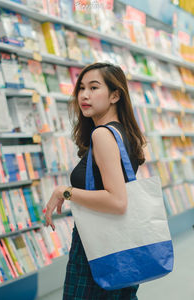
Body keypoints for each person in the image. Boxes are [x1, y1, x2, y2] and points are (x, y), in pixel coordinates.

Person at [45, 62, 146, 299]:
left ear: (115, 95)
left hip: (97, 244)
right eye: (81, 88)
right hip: (120, 242)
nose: (84, 95)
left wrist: (64, 192)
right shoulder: (124, 133)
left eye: (94, 87)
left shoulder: (103, 135)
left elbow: (117, 200)